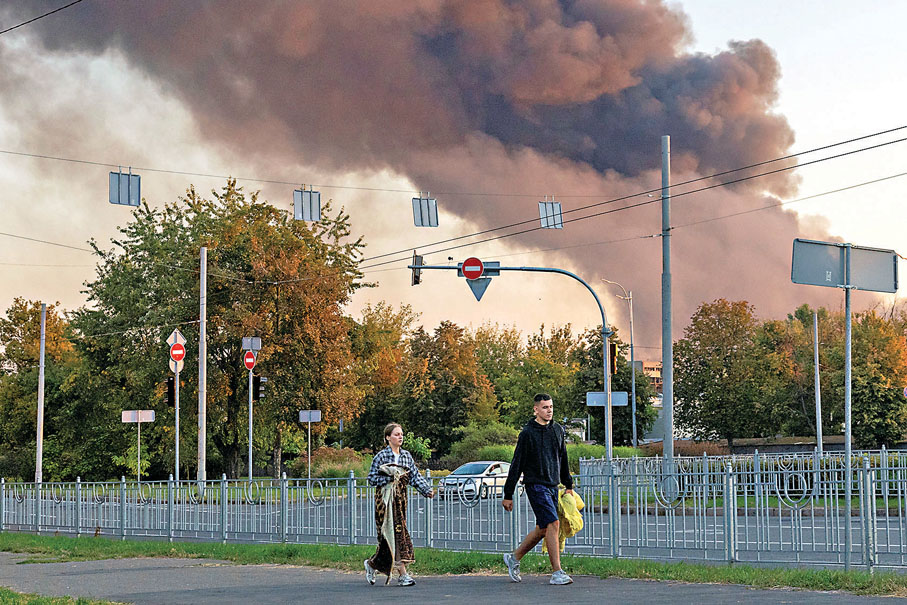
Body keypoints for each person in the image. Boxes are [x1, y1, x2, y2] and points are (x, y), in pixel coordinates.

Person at [501, 393, 575, 585]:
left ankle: (514, 558)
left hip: (553, 485)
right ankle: (557, 572)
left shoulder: (557, 430)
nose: (549, 411)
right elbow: (517, 463)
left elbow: (563, 458)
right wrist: (508, 494)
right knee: (553, 523)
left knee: (543, 529)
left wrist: (568, 484)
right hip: (535, 485)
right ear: (536, 409)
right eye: (545, 407)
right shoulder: (527, 433)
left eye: (551, 407)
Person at [364, 422, 435, 587]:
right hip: (385, 502)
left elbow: (414, 476)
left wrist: (427, 490)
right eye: (396, 434)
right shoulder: (381, 457)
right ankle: (403, 574)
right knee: (394, 534)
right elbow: (371, 479)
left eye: (401, 434)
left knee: (392, 535)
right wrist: (390, 478)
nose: (400, 437)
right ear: (388, 437)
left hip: (400, 500)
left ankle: (372, 564)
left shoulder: (406, 456)